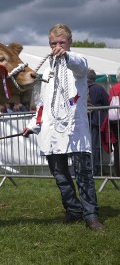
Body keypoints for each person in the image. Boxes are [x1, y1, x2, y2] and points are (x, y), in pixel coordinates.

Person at [22, 23, 105, 230]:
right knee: (60, 175)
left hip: (74, 129)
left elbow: (79, 66)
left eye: (61, 42)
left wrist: (66, 57)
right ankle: (73, 209)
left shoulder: (78, 62)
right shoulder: (47, 67)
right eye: (53, 43)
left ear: (70, 42)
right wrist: (32, 125)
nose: (57, 46)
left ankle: (91, 215)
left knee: (83, 174)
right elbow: (43, 102)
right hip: (51, 131)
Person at [87, 69, 109, 176]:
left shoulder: (80, 88)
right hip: (95, 121)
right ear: (94, 78)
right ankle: (94, 170)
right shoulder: (99, 88)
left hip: (83, 121)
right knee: (94, 146)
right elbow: (107, 102)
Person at [107, 67, 120, 177]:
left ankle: (118, 172)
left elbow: (110, 102)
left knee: (117, 147)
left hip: (116, 122)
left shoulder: (114, 89)